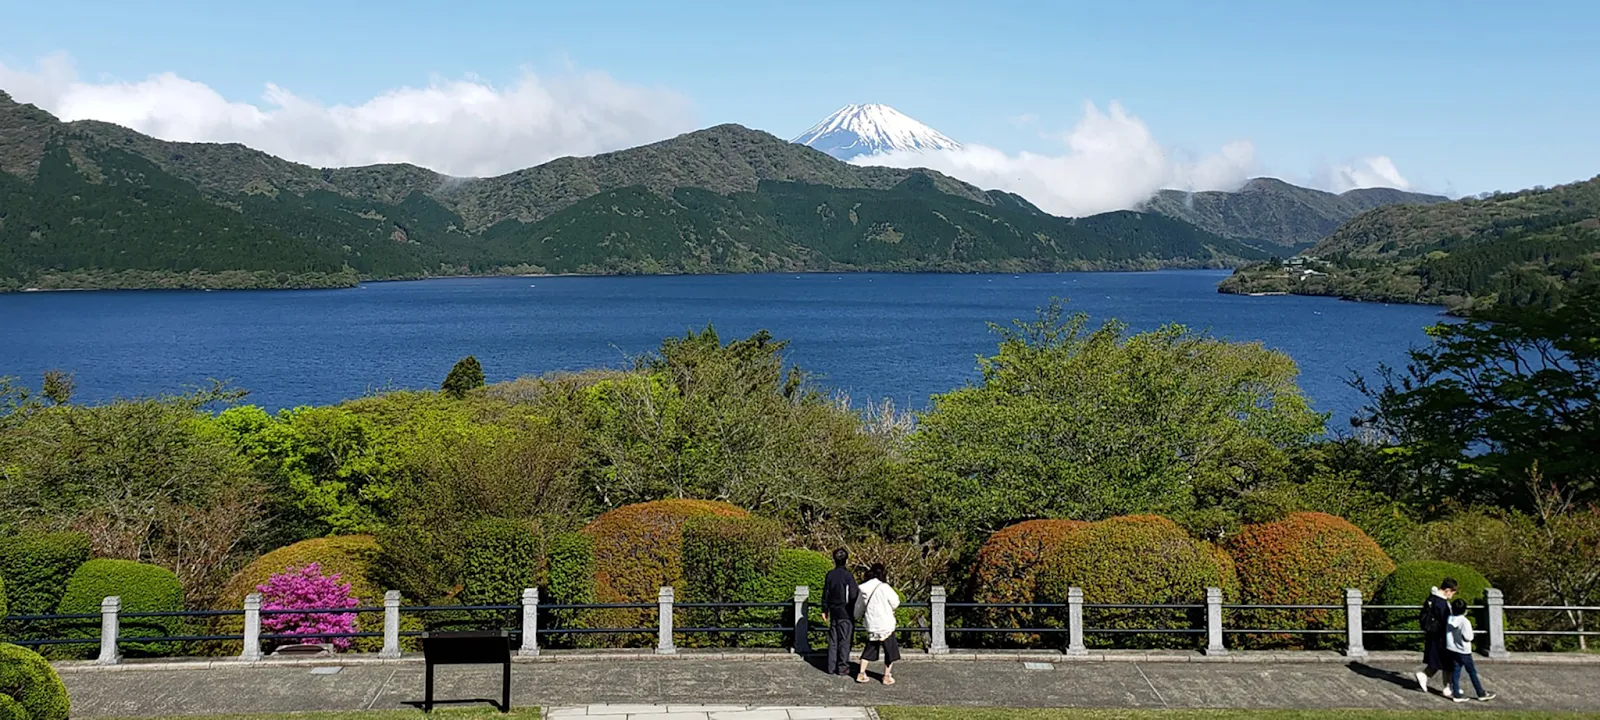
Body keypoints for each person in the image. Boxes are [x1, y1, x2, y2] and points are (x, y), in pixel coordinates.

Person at [854, 563, 902, 685]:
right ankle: (886, 676)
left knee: (870, 648)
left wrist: (857, 617)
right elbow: (895, 602)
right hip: (886, 623)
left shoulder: (864, 588)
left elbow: (858, 607)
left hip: (872, 624)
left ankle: (861, 673)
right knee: (889, 651)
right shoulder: (885, 587)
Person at [1447, 598, 1496, 702]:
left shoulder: (1449, 618)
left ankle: (1456, 693)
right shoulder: (1465, 622)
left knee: (1456, 671)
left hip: (1452, 649)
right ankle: (1480, 692)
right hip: (1464, 651)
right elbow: (1469, 637)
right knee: (1472, 672)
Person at [821, 547, 860, 677]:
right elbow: (853, 594)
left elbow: (826, 593)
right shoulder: (848, 576)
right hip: (846, 612)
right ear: (846, 560)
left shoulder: (830, 575)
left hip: (834, 611)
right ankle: (842, 667)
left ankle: (830, 666)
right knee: (844, 640)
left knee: (833, 640)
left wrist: (824, 609)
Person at [1416, 577, 1457, 693]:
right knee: (1447, 661)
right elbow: (1446, 621)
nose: (1453, 595)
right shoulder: (1441, 603)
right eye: (1453, 592)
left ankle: (1425, 676)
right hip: (1441, 636)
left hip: (1433, 634)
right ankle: (1447, 686)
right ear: (1448, 590)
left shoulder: (1432, 599)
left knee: (1437, 660)